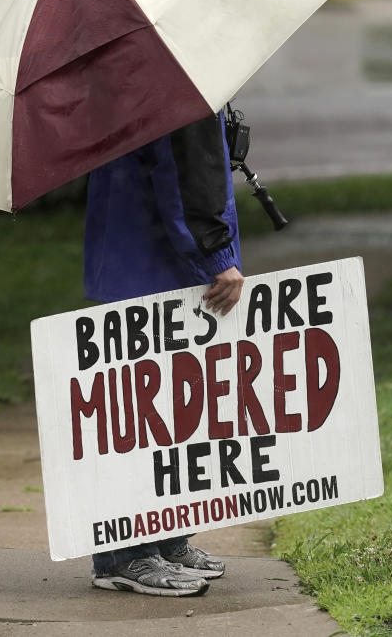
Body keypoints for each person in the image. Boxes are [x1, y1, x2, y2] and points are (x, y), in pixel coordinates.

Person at [83, 110, 245, 597]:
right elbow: (185, 168)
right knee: (148, 415)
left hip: (135, 256)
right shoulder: (181, 71)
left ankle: (165, 540)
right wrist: (218, 257)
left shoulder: (141, 66)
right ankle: (128, 555)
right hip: (158, 265)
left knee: (165, 414)